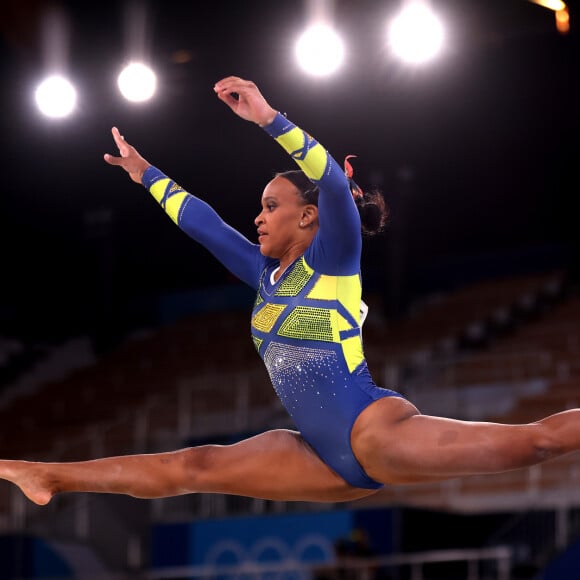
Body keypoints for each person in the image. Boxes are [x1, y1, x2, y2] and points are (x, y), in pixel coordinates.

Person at [0, 76, 579, 507]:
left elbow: (329, 176)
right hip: (319, 459)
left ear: (309, 218)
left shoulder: (336, 256)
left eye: (271, 206)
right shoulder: (262, 275)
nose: (258, 218)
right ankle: (46, 474)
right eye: (260, 207)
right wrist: (146, 174)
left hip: (372, 432)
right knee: (195, 466)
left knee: (534, 444)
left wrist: (270, 118)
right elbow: (205, 226)